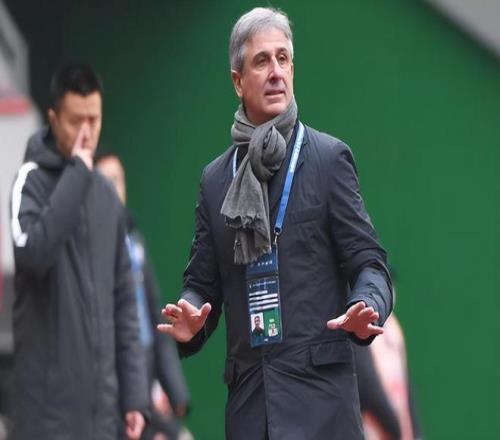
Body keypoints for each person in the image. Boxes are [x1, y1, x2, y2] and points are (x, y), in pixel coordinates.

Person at [159, 7, 393, 440]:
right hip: (251, 413)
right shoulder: (216, 180)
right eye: (262, 61)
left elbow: (370, 264)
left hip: (323, 413)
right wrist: (191, 317)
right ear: (237, 81)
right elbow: (202, 285)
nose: (275, 72)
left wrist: (369, 303)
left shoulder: (328, 160)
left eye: (283, 59)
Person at [9, 64, 148, 440]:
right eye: (76, 122)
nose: (86, 133)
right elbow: (32, 254)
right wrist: (77, 173)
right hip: (46, 418)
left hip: (101, 415)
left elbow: (125, 301)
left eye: (94, 120)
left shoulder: (106, 197)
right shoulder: (29, 182)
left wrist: (134, 397)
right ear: (54, 119)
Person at [96, 152, 193, 440]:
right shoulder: (90, 250)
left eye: (117, 179)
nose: (113, 188)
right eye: (105, 181)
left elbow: (155, 317)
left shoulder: (134, 242)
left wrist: (174, 390)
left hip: (146, 372)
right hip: (116, 389)